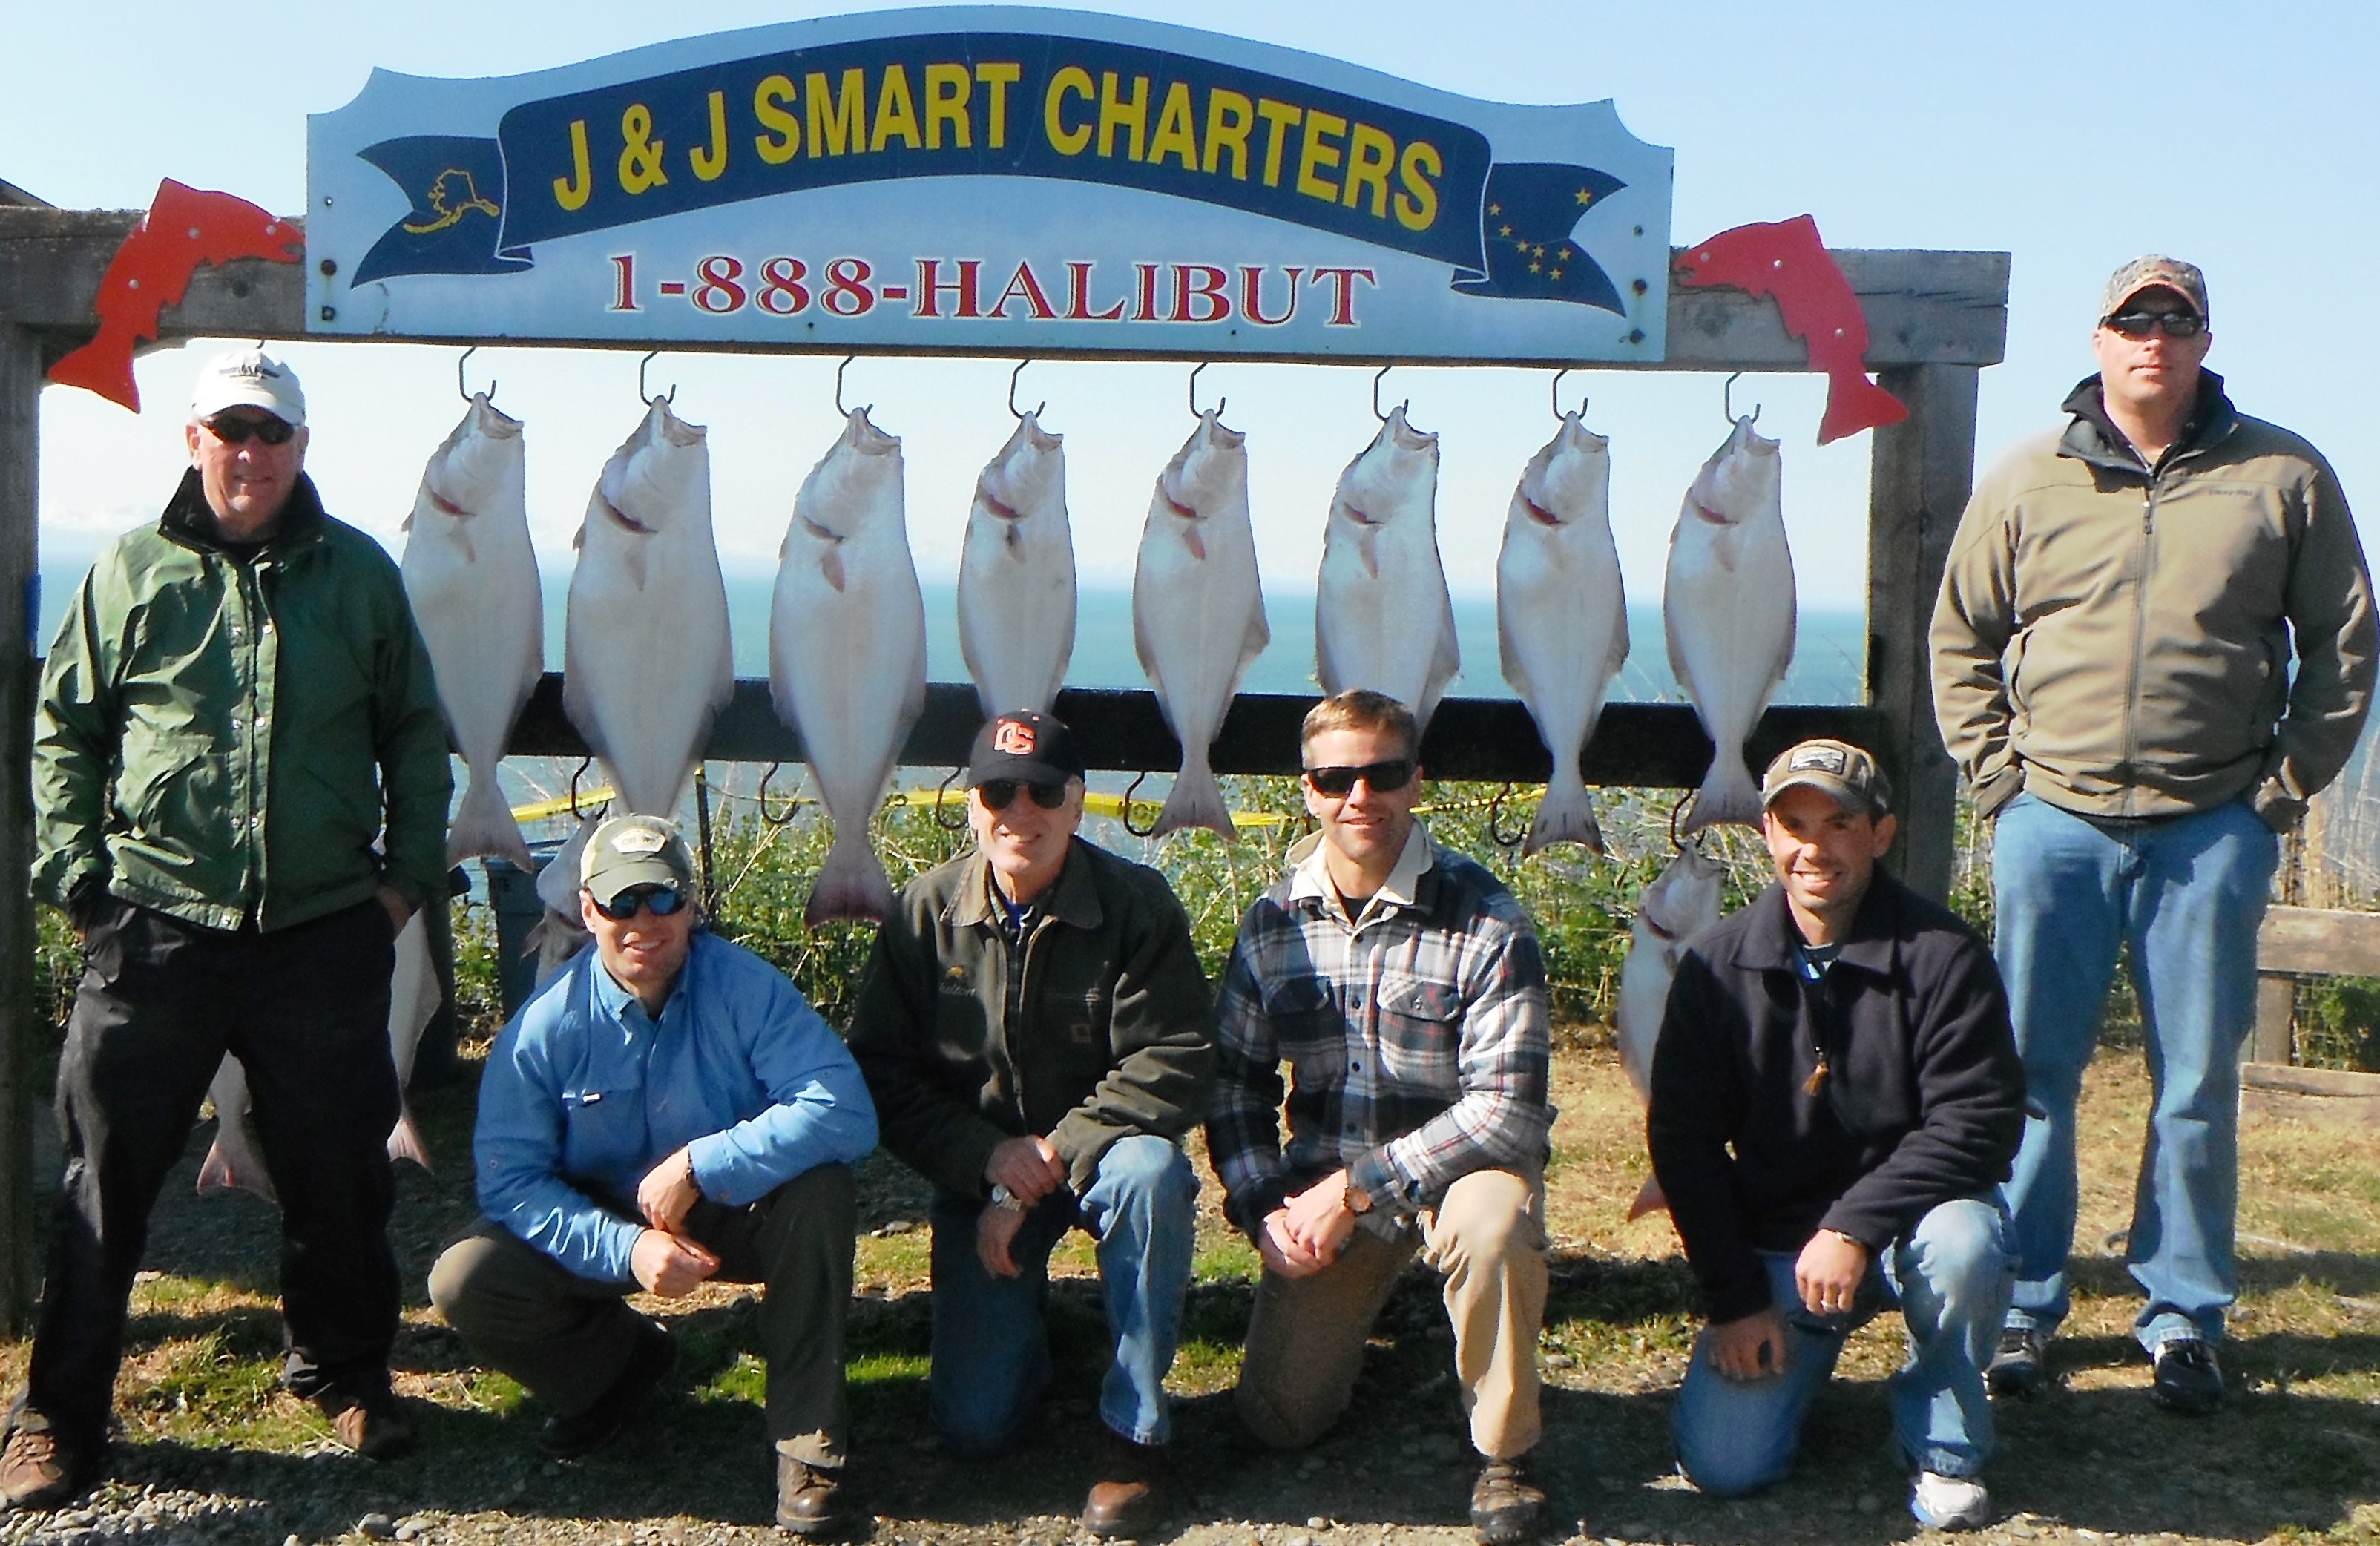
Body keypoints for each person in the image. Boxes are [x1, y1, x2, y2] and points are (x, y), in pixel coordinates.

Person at [5, 347, 453, 1510]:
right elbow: (65, 729)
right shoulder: (128, 569)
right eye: (230, 430)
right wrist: (82, 885)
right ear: (193, 440)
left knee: (340, 1174)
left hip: (321, 929)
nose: (249, 453)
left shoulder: (360, 574)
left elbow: (413, 730)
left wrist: (402, 886)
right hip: (154, 929)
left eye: (271, 433)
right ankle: (58, 1419)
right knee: (104, 1182)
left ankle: (346, 1375)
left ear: (301, 447)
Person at [1931, 255, 2377, 1413]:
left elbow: (2344, 647)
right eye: (2133, 320)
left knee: (2197, 1081)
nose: (2153, 339)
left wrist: (2276, 797)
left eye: (2175, 321)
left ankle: (2183, 1314)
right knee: (2033, 1073)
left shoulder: (2284, 475)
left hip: (2209, 829)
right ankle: (2022, 1302)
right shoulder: (2028, 477)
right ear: (2099, 339)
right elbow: (1961, 638)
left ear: (2203, 341)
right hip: (2054, 824)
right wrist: (2001, 784)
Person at [429, 815, 875, 1536]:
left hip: (733, 1204)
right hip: (601, 1215)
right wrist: (628, 1248)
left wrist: (704, 1162)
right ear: (586, 910)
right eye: (620, 901)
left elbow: (846, 1109)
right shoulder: (541, 1027)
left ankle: (807, 1441)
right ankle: (614, 1372)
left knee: (821, 1191)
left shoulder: (748, 988)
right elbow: (511, 1182)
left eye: (663, 899)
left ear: (691, 905)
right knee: (464, 1278)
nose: (644, 920)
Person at [844, 711, 1213, 1539]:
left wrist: (1047, 1154)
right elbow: (881, 1073)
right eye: (998, 791)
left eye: (1044, 792)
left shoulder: (1137, 904)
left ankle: (1135, 1430)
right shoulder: (922, 912)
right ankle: (1046, 1337)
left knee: (1154, 1174)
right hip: (981, 1171)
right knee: (977, 1427)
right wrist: (985, 1160)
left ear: (1078, 802)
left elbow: (1179, 1055)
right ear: (970, 805)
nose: (1021, 810)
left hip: (1103, 1155)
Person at [1207, 689, 1556, 1546]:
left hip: (1457, 1173)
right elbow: (1234, 1088)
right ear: (1307, 790)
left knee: (1494, 1228)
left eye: (1382, 773)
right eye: (1336, 778)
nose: (1359, 795)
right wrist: (1262, 1209)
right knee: (1279, 1421)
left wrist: (1356, 1189)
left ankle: (1504, 1450)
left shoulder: (1488, 917)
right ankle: (1375, 1338)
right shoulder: (1270, 925)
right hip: (1326, 1181)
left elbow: (1507, 1110)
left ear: (1416, 781)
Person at [1648, 739, 2025, 1531]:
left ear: (1881, 833)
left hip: (1915, 1223)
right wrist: (1735, 1300)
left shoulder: (1946, 955)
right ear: (1767, 833)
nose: (1814, 848)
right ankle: (1794, 1363)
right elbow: (1683, 1142)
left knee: (1966, 1245)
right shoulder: (1716, 966)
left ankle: (1943, 1445)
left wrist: (1853, 1226)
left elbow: (1979, 1123)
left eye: (1839, 824)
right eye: (1794, 824)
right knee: (1725, 1466)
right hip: (1781, 1241)